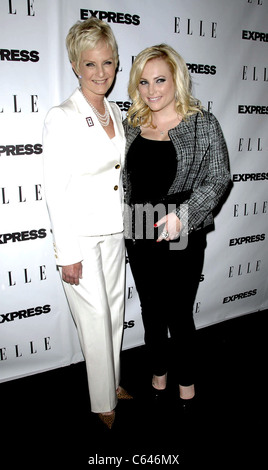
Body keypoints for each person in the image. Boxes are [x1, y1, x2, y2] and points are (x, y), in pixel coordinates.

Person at [123, 44, 231, 408]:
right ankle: (158, 371)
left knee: (179, 314)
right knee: (150, 311)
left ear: (176, 80)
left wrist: (184, 215)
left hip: (181, 232)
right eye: (143, 82)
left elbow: (219, 178)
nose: (152, 90)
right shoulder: (130, 125)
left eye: (160, 80)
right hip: (138, 229)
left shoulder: (201, 123)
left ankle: (186, 380)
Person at [43, 17, 131, 429]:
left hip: (114, 230)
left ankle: (111, 382)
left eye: (108, 63)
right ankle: (102, 404)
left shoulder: (116, 111)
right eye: (91, 64)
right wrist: (68, 254)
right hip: (80, 236)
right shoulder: (61, 117)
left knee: (114, 312)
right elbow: (55, 191)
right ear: (76, 66)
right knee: (94, 320)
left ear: (117, 64)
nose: (101, 73)